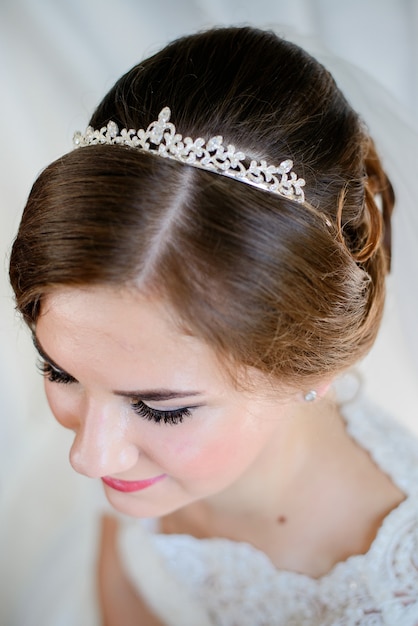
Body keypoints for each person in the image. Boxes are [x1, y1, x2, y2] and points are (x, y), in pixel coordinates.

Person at [8, 26, 418, 625]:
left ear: (315, 362)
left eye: (161, 409)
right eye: (59, 370)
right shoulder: (133, 440)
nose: (88, 458)